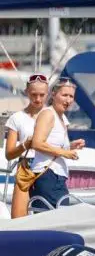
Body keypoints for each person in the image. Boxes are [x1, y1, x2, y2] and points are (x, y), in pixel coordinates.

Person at [30, 78, 85, 210]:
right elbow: (37, 143)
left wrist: (71, 146)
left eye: (71, 96)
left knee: (60, 219)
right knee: (50, 221)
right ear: (53, 94)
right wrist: (65, 152)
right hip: (47, 175)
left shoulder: (61, 118)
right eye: (64, 95)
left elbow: (52, 144)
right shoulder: (48, 114)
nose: (68, 100)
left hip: (57, 177)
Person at [5, 74, 49, 218]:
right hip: (25, 167)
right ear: (26, 93)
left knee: (48, 218)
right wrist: (25, 145)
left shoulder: (55, 115)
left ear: (48, 94)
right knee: (18, 219)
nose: (38, 99)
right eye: (33, 94)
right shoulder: (16, 118)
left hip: (47, 167)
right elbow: (9, 154)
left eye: (42, 95)